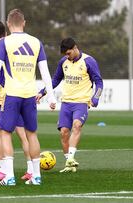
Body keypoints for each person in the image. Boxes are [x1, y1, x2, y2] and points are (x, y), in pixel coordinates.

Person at [0, 9, 56, 186]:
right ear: (24, 22)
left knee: (5, 133)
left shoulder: (5, 42)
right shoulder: (36, 42)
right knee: (31, 134)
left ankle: (10, 177)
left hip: (12, 95)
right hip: (30, 95)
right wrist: (51, 97)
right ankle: (36, 177)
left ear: (8, 24)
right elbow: (45, 73)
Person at [37, 37, 103, 173]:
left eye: (68, 53)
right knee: (64, 133)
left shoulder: (89, 61)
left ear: (75, 48)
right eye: (65, 55)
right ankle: (69, 163)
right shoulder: (63, 62)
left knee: (77, 126)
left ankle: (71, 158)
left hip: (81, 102)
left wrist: (95, 98)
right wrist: (42, 92)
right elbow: (55, 80)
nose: (67, 56)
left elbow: (99, 82)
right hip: (66, 102)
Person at [0, 20, 33, 182]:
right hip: (22, 94)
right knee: (23, 134)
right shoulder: (16, 46)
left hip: (4, 98)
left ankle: (3, 171)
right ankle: (31, 170)